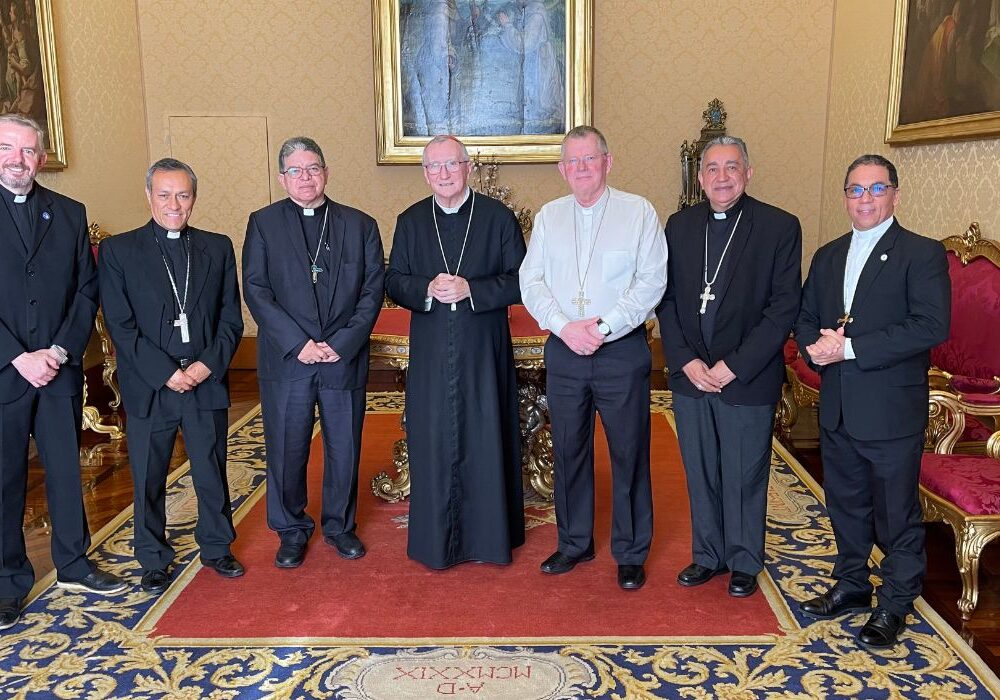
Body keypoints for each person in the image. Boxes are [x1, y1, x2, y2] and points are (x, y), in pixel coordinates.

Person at [796, 154, 950, 649]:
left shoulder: (921, 253)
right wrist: (815, 348)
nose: (865, 199)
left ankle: (896, 602)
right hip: (839, 405)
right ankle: (852, 585)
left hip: (890, 410)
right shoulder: (828, 255)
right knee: (845, 503)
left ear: (895, 195)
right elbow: (805, 316)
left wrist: (849, 348)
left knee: (895, 513)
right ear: (846, 197)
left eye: (876, 188)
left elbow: (930, 326)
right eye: (856, 190)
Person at [520, 125, 667, 590]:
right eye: (573, 161)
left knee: (628, 451)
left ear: (608, 162)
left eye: (590, 158)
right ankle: (574, 542)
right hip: (565, 350)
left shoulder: (638, 212)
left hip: (620, 350)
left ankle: (631, 550)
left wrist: (602, 328)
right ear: (562, 169)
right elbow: (531, 281)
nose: (581, 168)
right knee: (568, 449)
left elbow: (651, 281)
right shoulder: (549, 216)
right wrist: (564, 327)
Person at [656, 136, 802, 599]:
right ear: (700, 178)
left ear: (748, 173)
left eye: (732, 167)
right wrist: (686, 360)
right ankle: (707, 555)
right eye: (713, 169)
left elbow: (783, 307)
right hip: (692, 375)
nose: (722, 177)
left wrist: (733, 366)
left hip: (747, 377)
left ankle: (743, 560)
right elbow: (666, 299)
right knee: (700, 470)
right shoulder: (680, 225)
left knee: (743, 473)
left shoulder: (779, 226)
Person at [0, 113, 126, 629]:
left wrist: (57, 350)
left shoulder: (69, 213)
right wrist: (18, 356)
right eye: (7, 148)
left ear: (42, 158)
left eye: (28, 150)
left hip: (58, 368)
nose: (18, 160)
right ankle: (8, 581)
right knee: (5, 479)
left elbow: (86, 289)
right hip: (5, 371)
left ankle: (74, 563)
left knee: (66, 471)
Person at [98, 158, 245, 594]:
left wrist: (203, 366)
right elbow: (121, 325)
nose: (174, 205)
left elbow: (230, 320)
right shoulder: (120, 251)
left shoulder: (217, 247)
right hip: (151, 384)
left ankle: (217, 547)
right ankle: (152, 557)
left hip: (204, 379)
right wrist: (166, 372)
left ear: (194, 197)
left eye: (183, 195)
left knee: (211, 469)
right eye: (164, 195)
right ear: (149, 196)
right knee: (148, 475)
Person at [243, 137, 384, 568]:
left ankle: (340, 526)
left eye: (313, 169)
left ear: (326, 172)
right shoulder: (263, 223)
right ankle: (290, 529)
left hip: (343, 357)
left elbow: (372, 291)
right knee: (287, 449)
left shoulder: (360, 225)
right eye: (296, 170)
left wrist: (341, 343)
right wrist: (298, 343)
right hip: (289, 359)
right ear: (282, 178)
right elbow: (256, 289)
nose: (305, 178)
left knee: (345, 447)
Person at [386, 135, 526, 569]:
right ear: (425, 173)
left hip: (483, 348)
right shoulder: (411, 220)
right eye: (434, 166)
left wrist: (472, 289)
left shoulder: (497, 218)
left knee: (486, 433)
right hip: (431, 349)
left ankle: (489, 538)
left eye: (451, 164)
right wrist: (426, 288)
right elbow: (394, 280)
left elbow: (522, 280)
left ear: (467, 167)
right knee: (434, 436)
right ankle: (437, 540)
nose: (443, 174)